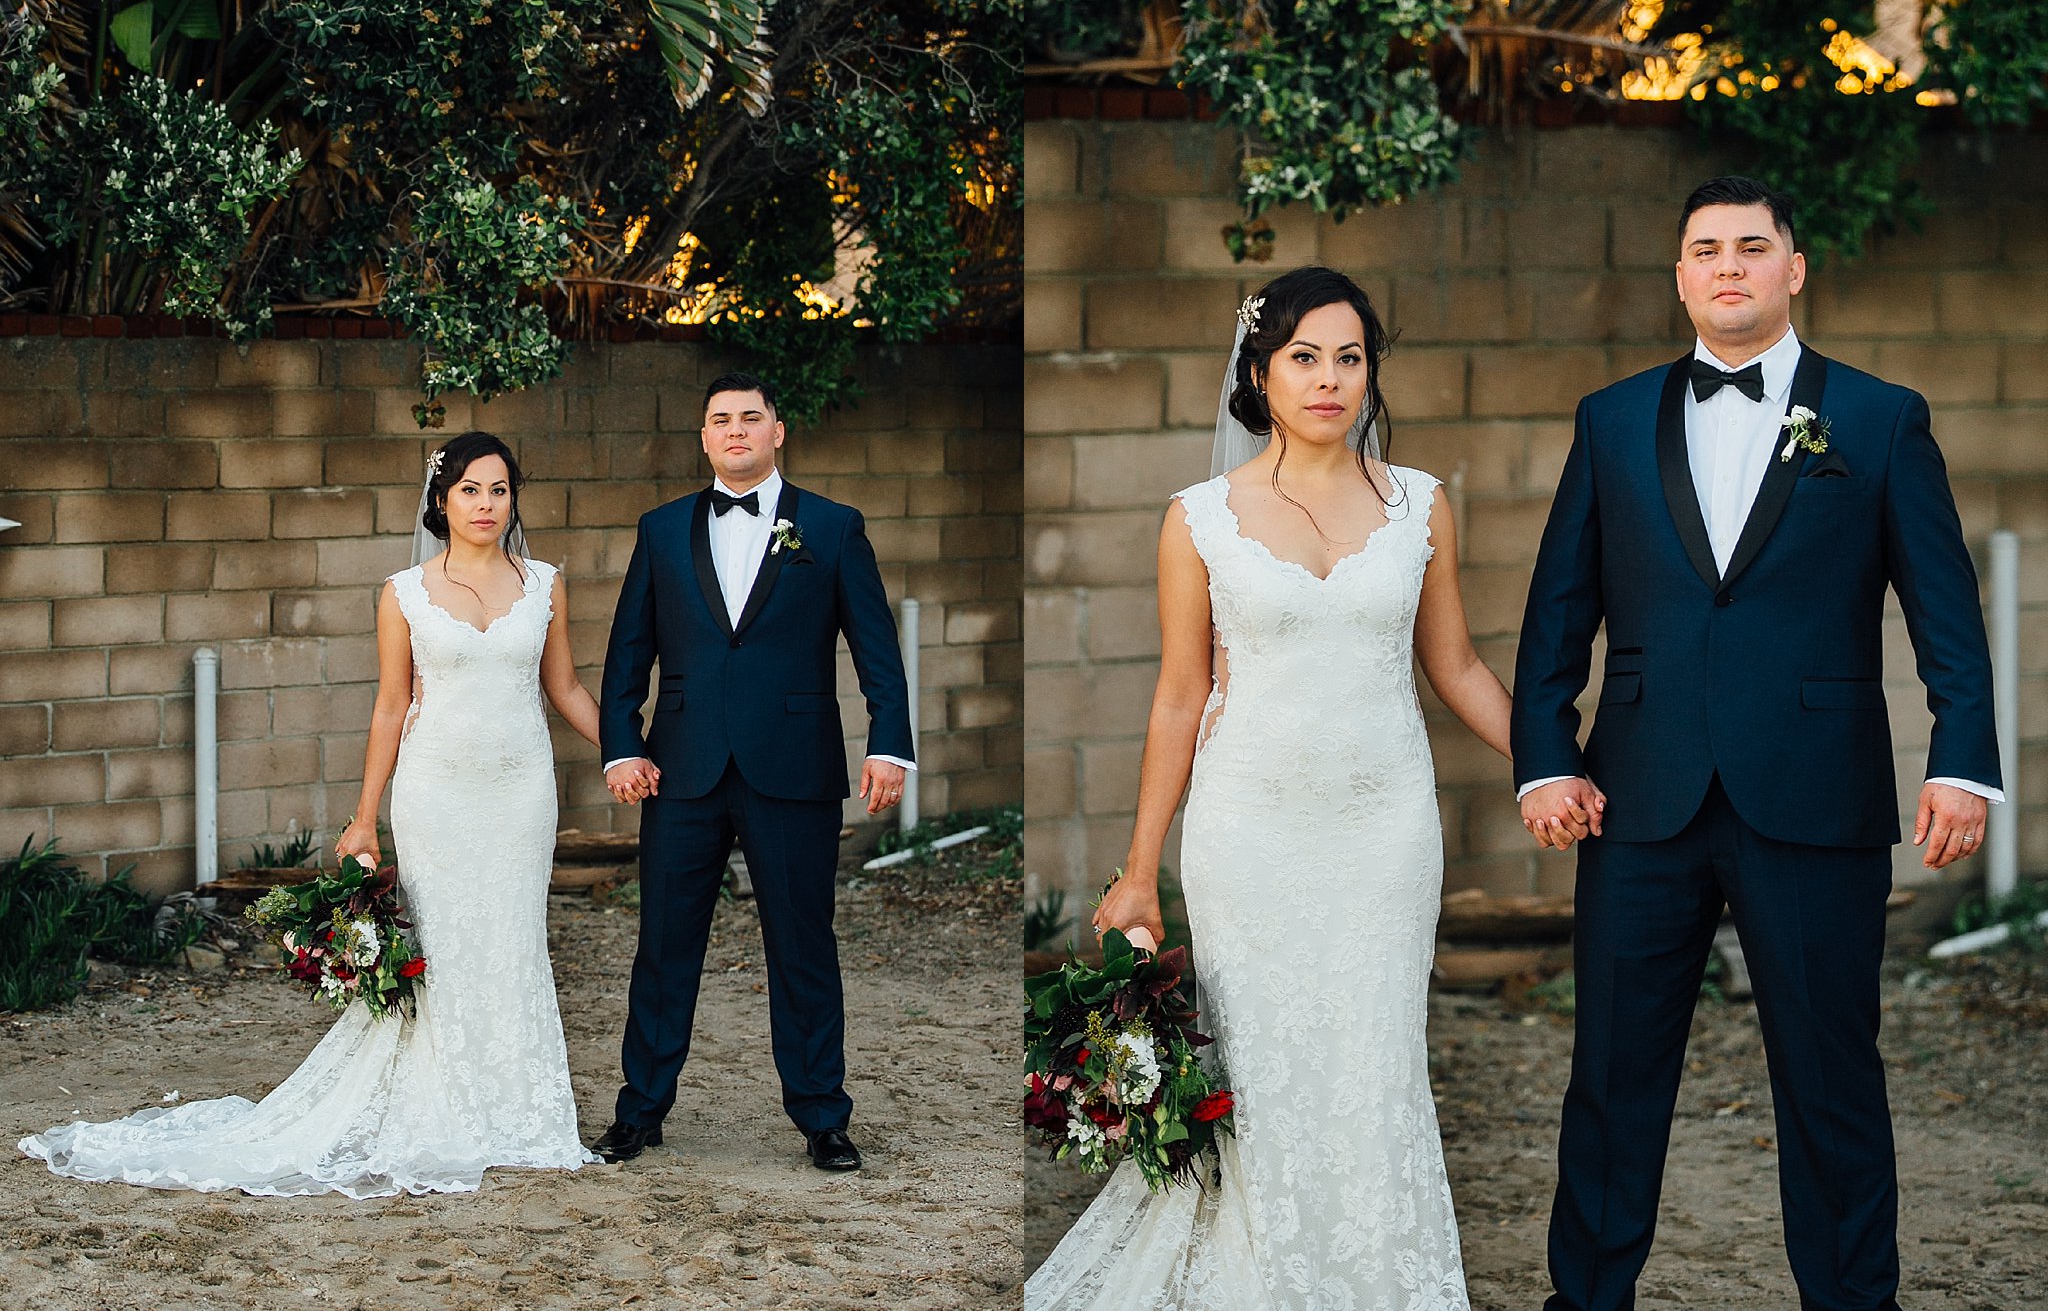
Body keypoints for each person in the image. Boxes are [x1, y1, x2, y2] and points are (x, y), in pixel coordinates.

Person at [1512, 175, 2001, 1311]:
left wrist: (1959, 759)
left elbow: (1944, 610)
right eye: (1701, 249)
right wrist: (1545, 753)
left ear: (1793, 267)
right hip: (1636, 798)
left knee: (1830, 1080)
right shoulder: (1610, 417)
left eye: (1748, 246)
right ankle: (1584, 1300)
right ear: (1678, 275)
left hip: (1813, 798)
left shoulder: (1878, 419)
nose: (1724, 266)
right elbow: (1556, 608)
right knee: (1610, 1078)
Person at [1029, 266, 1533, 1309]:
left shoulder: (1421, 506)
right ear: (1258, 374)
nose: (1328, 378)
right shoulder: (1198, 519)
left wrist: (1556, 757)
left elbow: (1458, 668)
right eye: (1303, 356)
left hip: (1383, 832)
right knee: (1255, 1076)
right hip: (1247, 836)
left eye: (1349, 357)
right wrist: (1136, 875)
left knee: (1372, 1069)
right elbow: (1179, 696)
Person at [19, 432, 604, 1196]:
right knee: (444, 949)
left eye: (499, 489)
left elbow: (564, 687)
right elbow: (392, 706)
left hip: (521, 792)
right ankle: (443, 1108)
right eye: (469, 490)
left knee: (514, 943)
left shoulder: (547, 585)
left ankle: (518, 1113)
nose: (486, 504)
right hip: (436, 794)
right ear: (440, 500)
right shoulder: (404, 593)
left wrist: (631, 748)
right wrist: (364, 820)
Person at [591, 371, 914, 1173]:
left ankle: (822, 1117)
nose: (734, 430)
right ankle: (641, 1110)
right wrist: (621, 744)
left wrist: (890, 743)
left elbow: (876, 646)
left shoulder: (833, 528)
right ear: (704, 438)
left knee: (804, 944)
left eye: (750, 417)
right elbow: (629, 649)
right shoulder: (661, 530)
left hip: (794, 768)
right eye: (719, 420)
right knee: (664, 944)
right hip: (682, 770)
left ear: (778, 431)